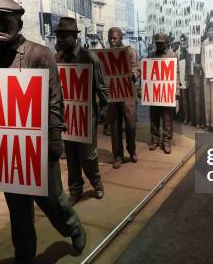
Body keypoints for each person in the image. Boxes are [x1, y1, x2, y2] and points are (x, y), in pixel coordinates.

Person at [0, 0, 86, 264]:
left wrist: (55, 140)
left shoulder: (40, 55)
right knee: (18, 208)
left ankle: (72, 226)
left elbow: (54, 100)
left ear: (19, 23)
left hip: (39, 142)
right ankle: (24, 257)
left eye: (4, 20)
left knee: (51, 200)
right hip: (8, 147)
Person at [55, 17, 109, 204]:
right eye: (58, 36)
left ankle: (97, 183)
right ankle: (75, 189)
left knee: (88, 155)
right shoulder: (57, 59)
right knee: (70, 155)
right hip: (66, 115)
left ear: (74, 36)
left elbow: (102, 87)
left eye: (63, 36)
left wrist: (103, 110)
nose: (59, 40)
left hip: (86, 116)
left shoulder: (89, 57)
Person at [105, 27, 140, 169]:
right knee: (114, 126)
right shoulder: (105, 54)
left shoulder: (130, 51)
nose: (113, 41)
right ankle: (117, 156)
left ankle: (131, 150)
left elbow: (137, 68)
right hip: (113, 94)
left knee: (131, 125)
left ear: (121, 38)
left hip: (128, 94)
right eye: (110, 39)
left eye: (115, 38)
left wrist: (133, 74)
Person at [148, 33, 177, 154]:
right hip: (154, 92)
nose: (159, 45)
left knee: (167, 119)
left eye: (161, 43)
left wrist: (177, 89)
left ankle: (166, 142)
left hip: (167, 92)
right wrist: (142, 89)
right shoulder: (151, 55)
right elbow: (147, 73)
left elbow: (177, 73)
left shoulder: (172, 55)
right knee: (154, 118)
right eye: (157, 43)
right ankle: (155, 139)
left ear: (166, 43)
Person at [201, 22, 213, 132]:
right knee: (207, 100)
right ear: (206, 31)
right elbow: (203, 59)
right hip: (207, 75)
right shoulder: (204, 43)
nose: (210, 32)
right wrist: (206, 71)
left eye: (212, 30)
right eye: (209, 30)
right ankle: (208, 124)